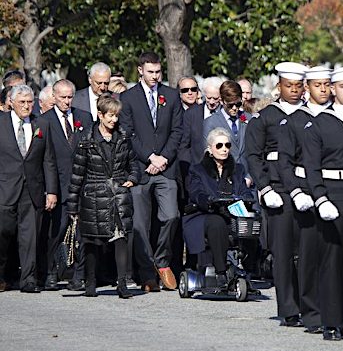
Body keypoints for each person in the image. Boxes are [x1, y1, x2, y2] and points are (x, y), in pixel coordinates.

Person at [245, 62, 308, 327]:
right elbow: (253, 155)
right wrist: (265, 187)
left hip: (306, 189)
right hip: (278, 190)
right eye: (288, 86)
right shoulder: (266, 117)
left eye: (298, 86)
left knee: (305, 252)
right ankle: (290, 308)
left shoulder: (310, 115)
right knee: (283, 253)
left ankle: (309, 304)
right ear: (279, 87)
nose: (293, 91)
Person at [303, 67, 343, 340]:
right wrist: (320, 197)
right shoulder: (319, 123)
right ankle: (331, 321)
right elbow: (311, 166)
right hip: (332, 194)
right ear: (333, 90)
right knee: (332, 260)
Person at [119, 52, 184, 292]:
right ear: (140, 71)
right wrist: (150, 157)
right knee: (140, 224)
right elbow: (128, 134)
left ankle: (162, 262)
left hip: (165, 169)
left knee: (171, 216)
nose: (155, 76)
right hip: (140, 168)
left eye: (158, 72)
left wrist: (163, 158)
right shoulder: (127, 98)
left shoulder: (172, 96)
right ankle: (147, 272)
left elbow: (177, 131)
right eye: (150, 72)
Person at [67, 95, 139, 298]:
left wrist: (132, 178)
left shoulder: (123, 138)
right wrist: (73, 205)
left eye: (116, 116)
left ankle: (122, 282)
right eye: (110, 116)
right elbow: (77, 174)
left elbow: (133, 163)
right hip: (94, 194)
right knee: (91, 241)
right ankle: (90, 281)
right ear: (100, 115)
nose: (114, 120)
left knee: (121, 238)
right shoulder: (87, 141)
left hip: (117, 196)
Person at [277, 66, 330, 334]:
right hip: (305, 192)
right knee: (307, 256)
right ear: (307, 88)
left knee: (331, 256)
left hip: (333, 193)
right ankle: (311, 312)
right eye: (317, 85)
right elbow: (284, 162)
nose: (323, 89)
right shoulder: (296, 120)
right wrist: (295, 191)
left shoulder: (336, 118)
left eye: (326, 84)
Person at [0, 84, 58, 292]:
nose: (26, 106)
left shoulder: (41, 124)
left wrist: (51, 191)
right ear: (11, 103)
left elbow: (48, 160)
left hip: (32, 189)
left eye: (30, 102)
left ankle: (28, 279)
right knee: (3, 232)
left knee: (30, 236)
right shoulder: (2, 123)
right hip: (5, 188)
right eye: (22, 102)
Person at [36, 79, 92, 290]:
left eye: (70, 97)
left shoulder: (84, 118)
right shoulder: (45, 120)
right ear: (54, 96)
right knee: (56, 231)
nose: (67, 101)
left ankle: (78, 275)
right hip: (57, 184)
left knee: (81, 234)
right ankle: (50, 272)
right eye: (62, 97)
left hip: (82, 184)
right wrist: (49, 188)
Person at [183, 128, 252, 290]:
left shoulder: (237, 169)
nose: (224, 149)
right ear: (210, 149)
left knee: (249, 225)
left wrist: (247, 198)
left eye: (227, 145)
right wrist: (208, 200)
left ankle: (248, 270)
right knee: (217, 222)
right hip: (204, 214)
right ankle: (220, 272)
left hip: (232, 214)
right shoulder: (197, 170)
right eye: (219, 145)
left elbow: (243, 189)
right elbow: (196, 192)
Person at [204, 80, 250, 172]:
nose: (234, 108)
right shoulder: (211, 123)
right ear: (221, 101)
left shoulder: (248, 118)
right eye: (230, 105)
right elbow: (208, 154)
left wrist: (250, 177)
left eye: (238, 104)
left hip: (248, 175)